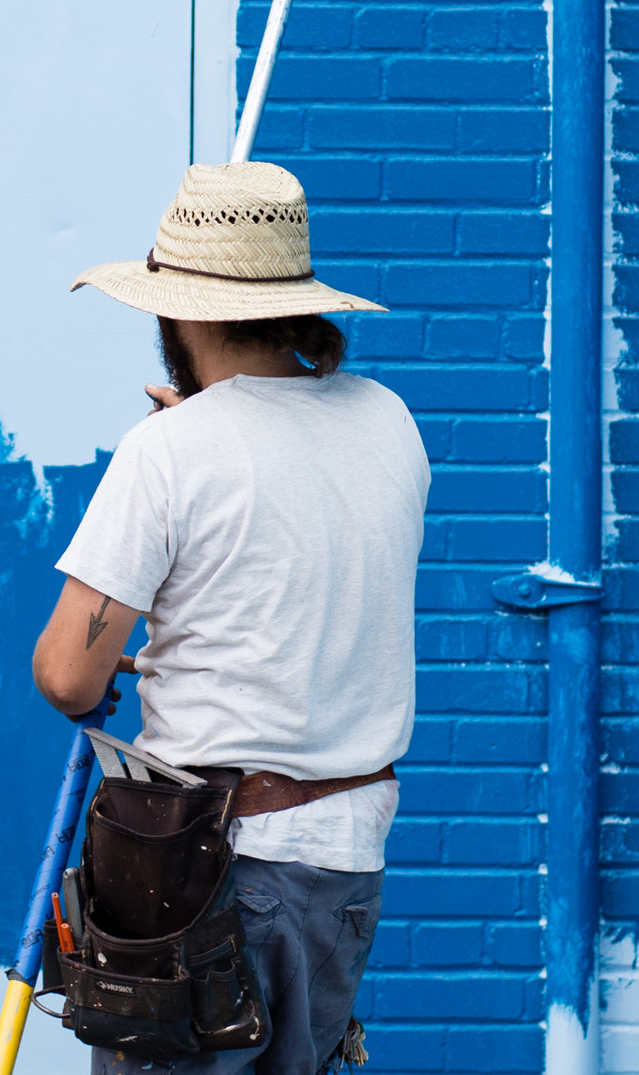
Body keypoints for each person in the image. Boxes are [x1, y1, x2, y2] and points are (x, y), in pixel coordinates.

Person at [30, 160, 429, 1075]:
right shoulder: (390, 422)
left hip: (209, 873)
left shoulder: (170, 452)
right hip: (345, 865)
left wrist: (186, 453)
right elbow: (288, 543)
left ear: (184, 312)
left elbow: (66, 676)